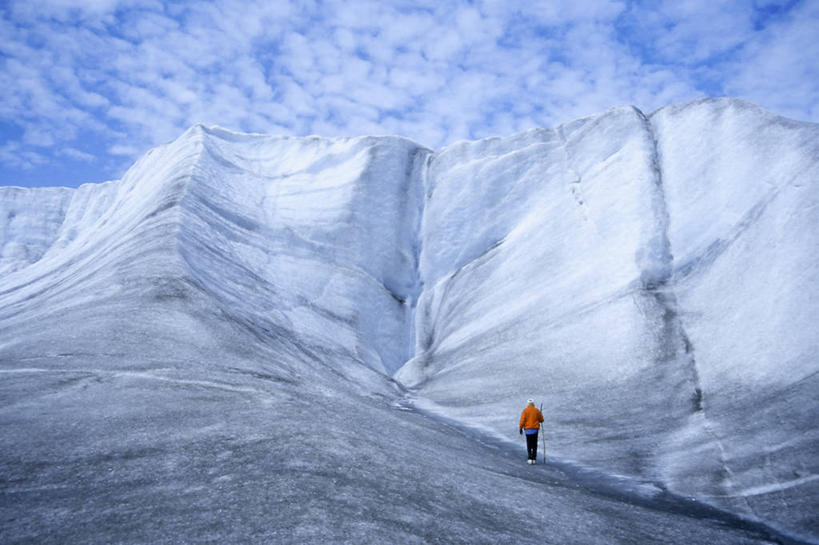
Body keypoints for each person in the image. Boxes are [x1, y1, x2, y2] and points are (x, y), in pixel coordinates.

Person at [519, 399, 544, 464]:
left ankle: (530, 458)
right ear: (533, 404)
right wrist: (540, 415)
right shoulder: (536, 410)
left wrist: (520, 428)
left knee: (529, 444)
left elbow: (522, 420)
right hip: (535, 430)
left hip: (528, 430)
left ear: (527, 404)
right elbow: (541, 420)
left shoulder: (525, 411)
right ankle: (534, 458)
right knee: (534, 444)